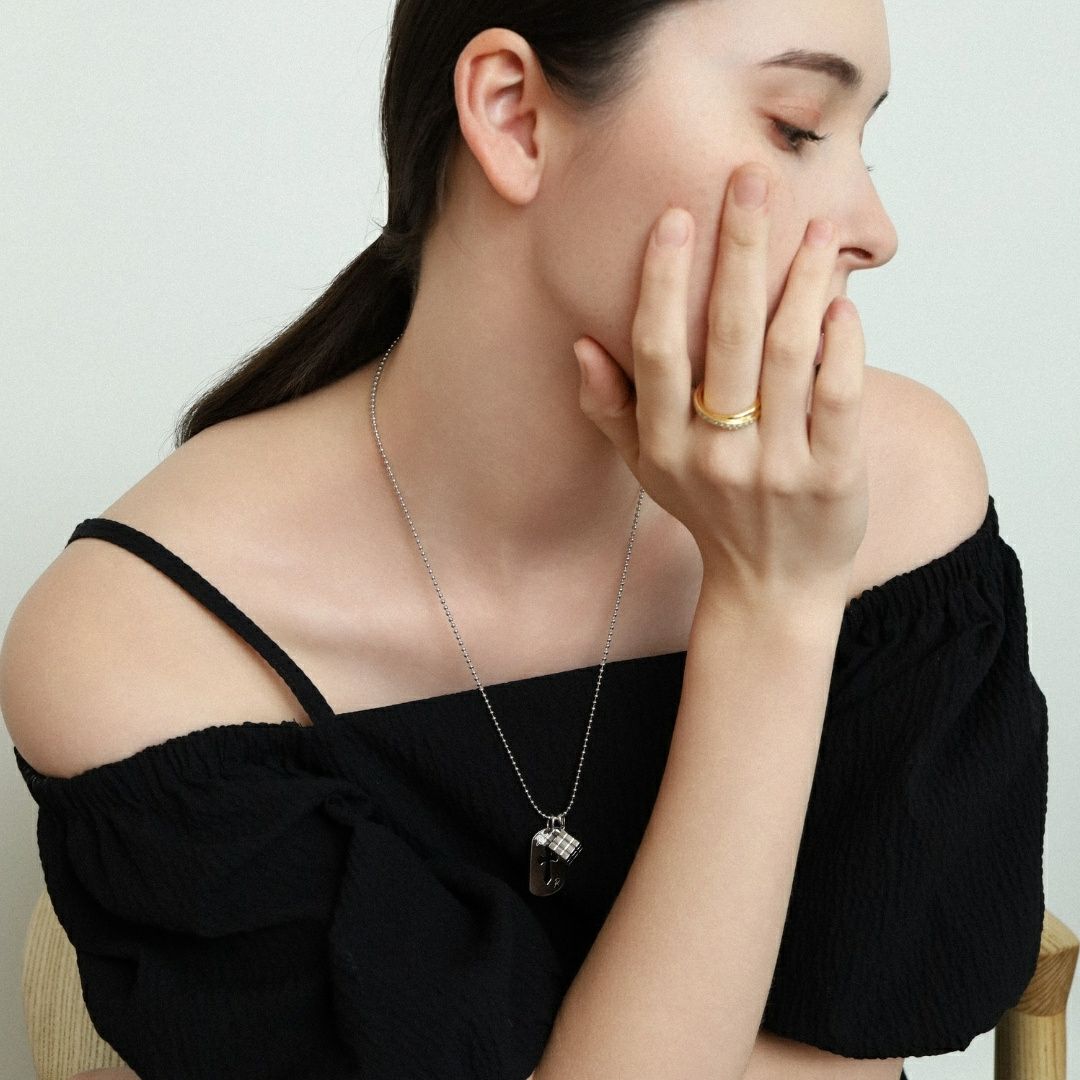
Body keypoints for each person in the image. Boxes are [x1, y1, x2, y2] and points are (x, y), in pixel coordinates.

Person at [3, 1, 1048, 1078]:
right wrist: (769, 606)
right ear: (513, 117)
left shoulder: (893, 492)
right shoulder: (139, 641)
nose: (876, 230)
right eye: (796, 126)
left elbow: (871, 1044)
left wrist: (777, 598)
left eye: (864, 141)